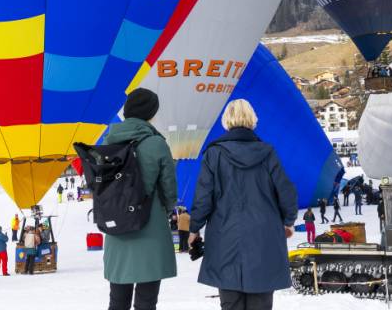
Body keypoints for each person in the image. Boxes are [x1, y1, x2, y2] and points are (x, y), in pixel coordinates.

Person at [189, 99, 298, 310]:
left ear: (226, 121)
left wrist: (194, 229)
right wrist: (288, 221)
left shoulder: (214, 153)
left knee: (231, 304)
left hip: (224, 236)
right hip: (264, 237)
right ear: (252, 120)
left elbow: (203, 197)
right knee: (261, 302)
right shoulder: (267, 152)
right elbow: (287, 191)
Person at [102, 88, 177, 310]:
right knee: (146, 301)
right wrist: (167, 208)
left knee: (117, 300)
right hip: (150, 227)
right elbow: (169, 189)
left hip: (116, 229)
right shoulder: (156, 143)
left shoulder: (108, 142)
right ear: (150, 113)